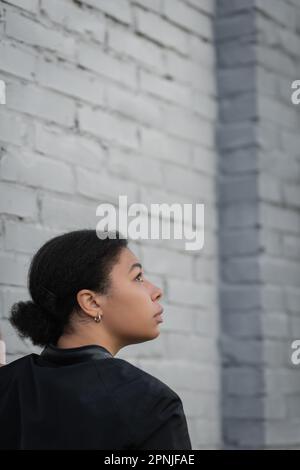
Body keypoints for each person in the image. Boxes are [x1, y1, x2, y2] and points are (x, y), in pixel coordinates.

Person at [0, 229, 192, 450]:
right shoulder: (151, 404)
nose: (156, 291)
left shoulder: (8, 383)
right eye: (137, 277)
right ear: (91, 302)